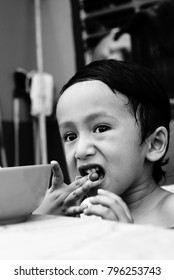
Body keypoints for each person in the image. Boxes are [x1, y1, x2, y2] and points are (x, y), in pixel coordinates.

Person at [35, 59, 174, 227]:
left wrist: (127, 242)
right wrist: (41, 223)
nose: (81, 151)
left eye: (101, 128)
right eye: (71, 136)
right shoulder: (79, 215)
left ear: (154, 144)